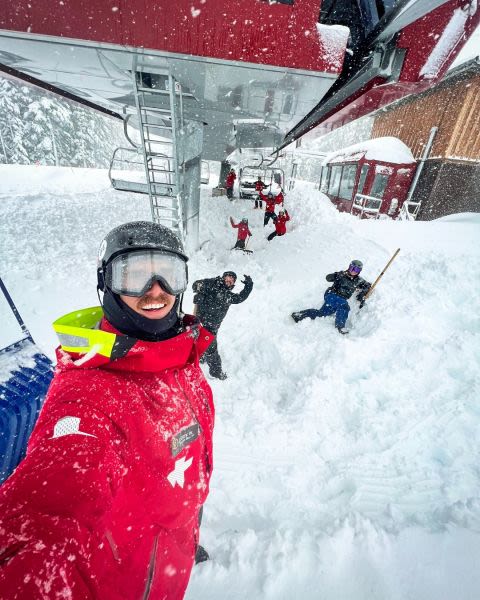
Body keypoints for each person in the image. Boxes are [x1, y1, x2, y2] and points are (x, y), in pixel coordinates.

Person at [0, 221, 215, 600]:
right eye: (134, 275)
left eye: (168, 275)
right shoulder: (89, 395)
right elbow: (50, 515)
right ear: (107, 284)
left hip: (171, 552)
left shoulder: (180, 352)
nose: (156, 292)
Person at [192, 272, 253, 379]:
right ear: (224, 277)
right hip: (199, 322)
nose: (229, 281)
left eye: (232, 281)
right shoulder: (211, 284)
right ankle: (215, 372)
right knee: (207, 348)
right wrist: (199, 291)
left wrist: (248, 286)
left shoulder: (229, 296)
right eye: (228, 278)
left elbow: (241, 297)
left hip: (212, 327)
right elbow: (196, 284)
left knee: (208, 347)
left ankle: (207, 363)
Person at [291, 260, 371, 334]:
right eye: (352, 268)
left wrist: (362, 294)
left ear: (359, 271)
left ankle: (299, 315)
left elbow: (367, 286)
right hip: (331, 294)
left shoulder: (359, 280)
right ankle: (340, 326)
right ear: (349, 267)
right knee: (344, 307)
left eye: (356, 270)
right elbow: (328, 278)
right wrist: (336, 275)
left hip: (340, 300)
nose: (353, 271)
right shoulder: (342, 274)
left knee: (322, 314)